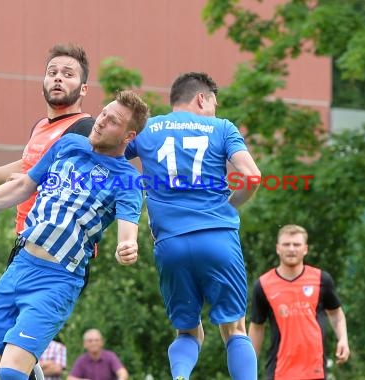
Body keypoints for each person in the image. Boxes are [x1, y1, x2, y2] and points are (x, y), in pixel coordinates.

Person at [0, 90, 150, 380]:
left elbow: (128, 233)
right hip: (21, 265)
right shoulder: (68, 144)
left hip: (58, 280)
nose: (100, 121)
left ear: (128, 136)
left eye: (112, 121)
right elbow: (25, 185)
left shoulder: (127, 180)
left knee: (12, 372)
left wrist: (126, 247)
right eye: (103, 113)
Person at [125, 72, 261, 380]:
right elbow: (252, 177)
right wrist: (232, 203)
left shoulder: (147, 129)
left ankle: (181, 377)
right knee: (235, 328)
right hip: (218, 240)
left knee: (187, 331)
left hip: (170, 244)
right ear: (202, 98)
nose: (215, 110)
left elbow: (112, 152)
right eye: (214, 102)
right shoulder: (222, 128)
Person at [0, 43, 95, 261]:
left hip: (57, 248)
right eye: (52, 73)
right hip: (27, 241)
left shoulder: (85, 128)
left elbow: (84, 184)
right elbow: (28, 165)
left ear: (84, 89)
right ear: (43, 85)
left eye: (68, 74)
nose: (58, 78)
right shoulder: (40, 126)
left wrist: (33, 182)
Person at [249, 224, 350, 380]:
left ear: (305, 249)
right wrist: (248, 365)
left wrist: (343, 339)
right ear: (278, 248)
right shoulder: (263, 285)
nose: (291, 249)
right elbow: (257, 327)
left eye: (296, 244)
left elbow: (336, 313)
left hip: (315, 371)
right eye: (286, 244)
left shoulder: (321, 279)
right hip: (279, 371)